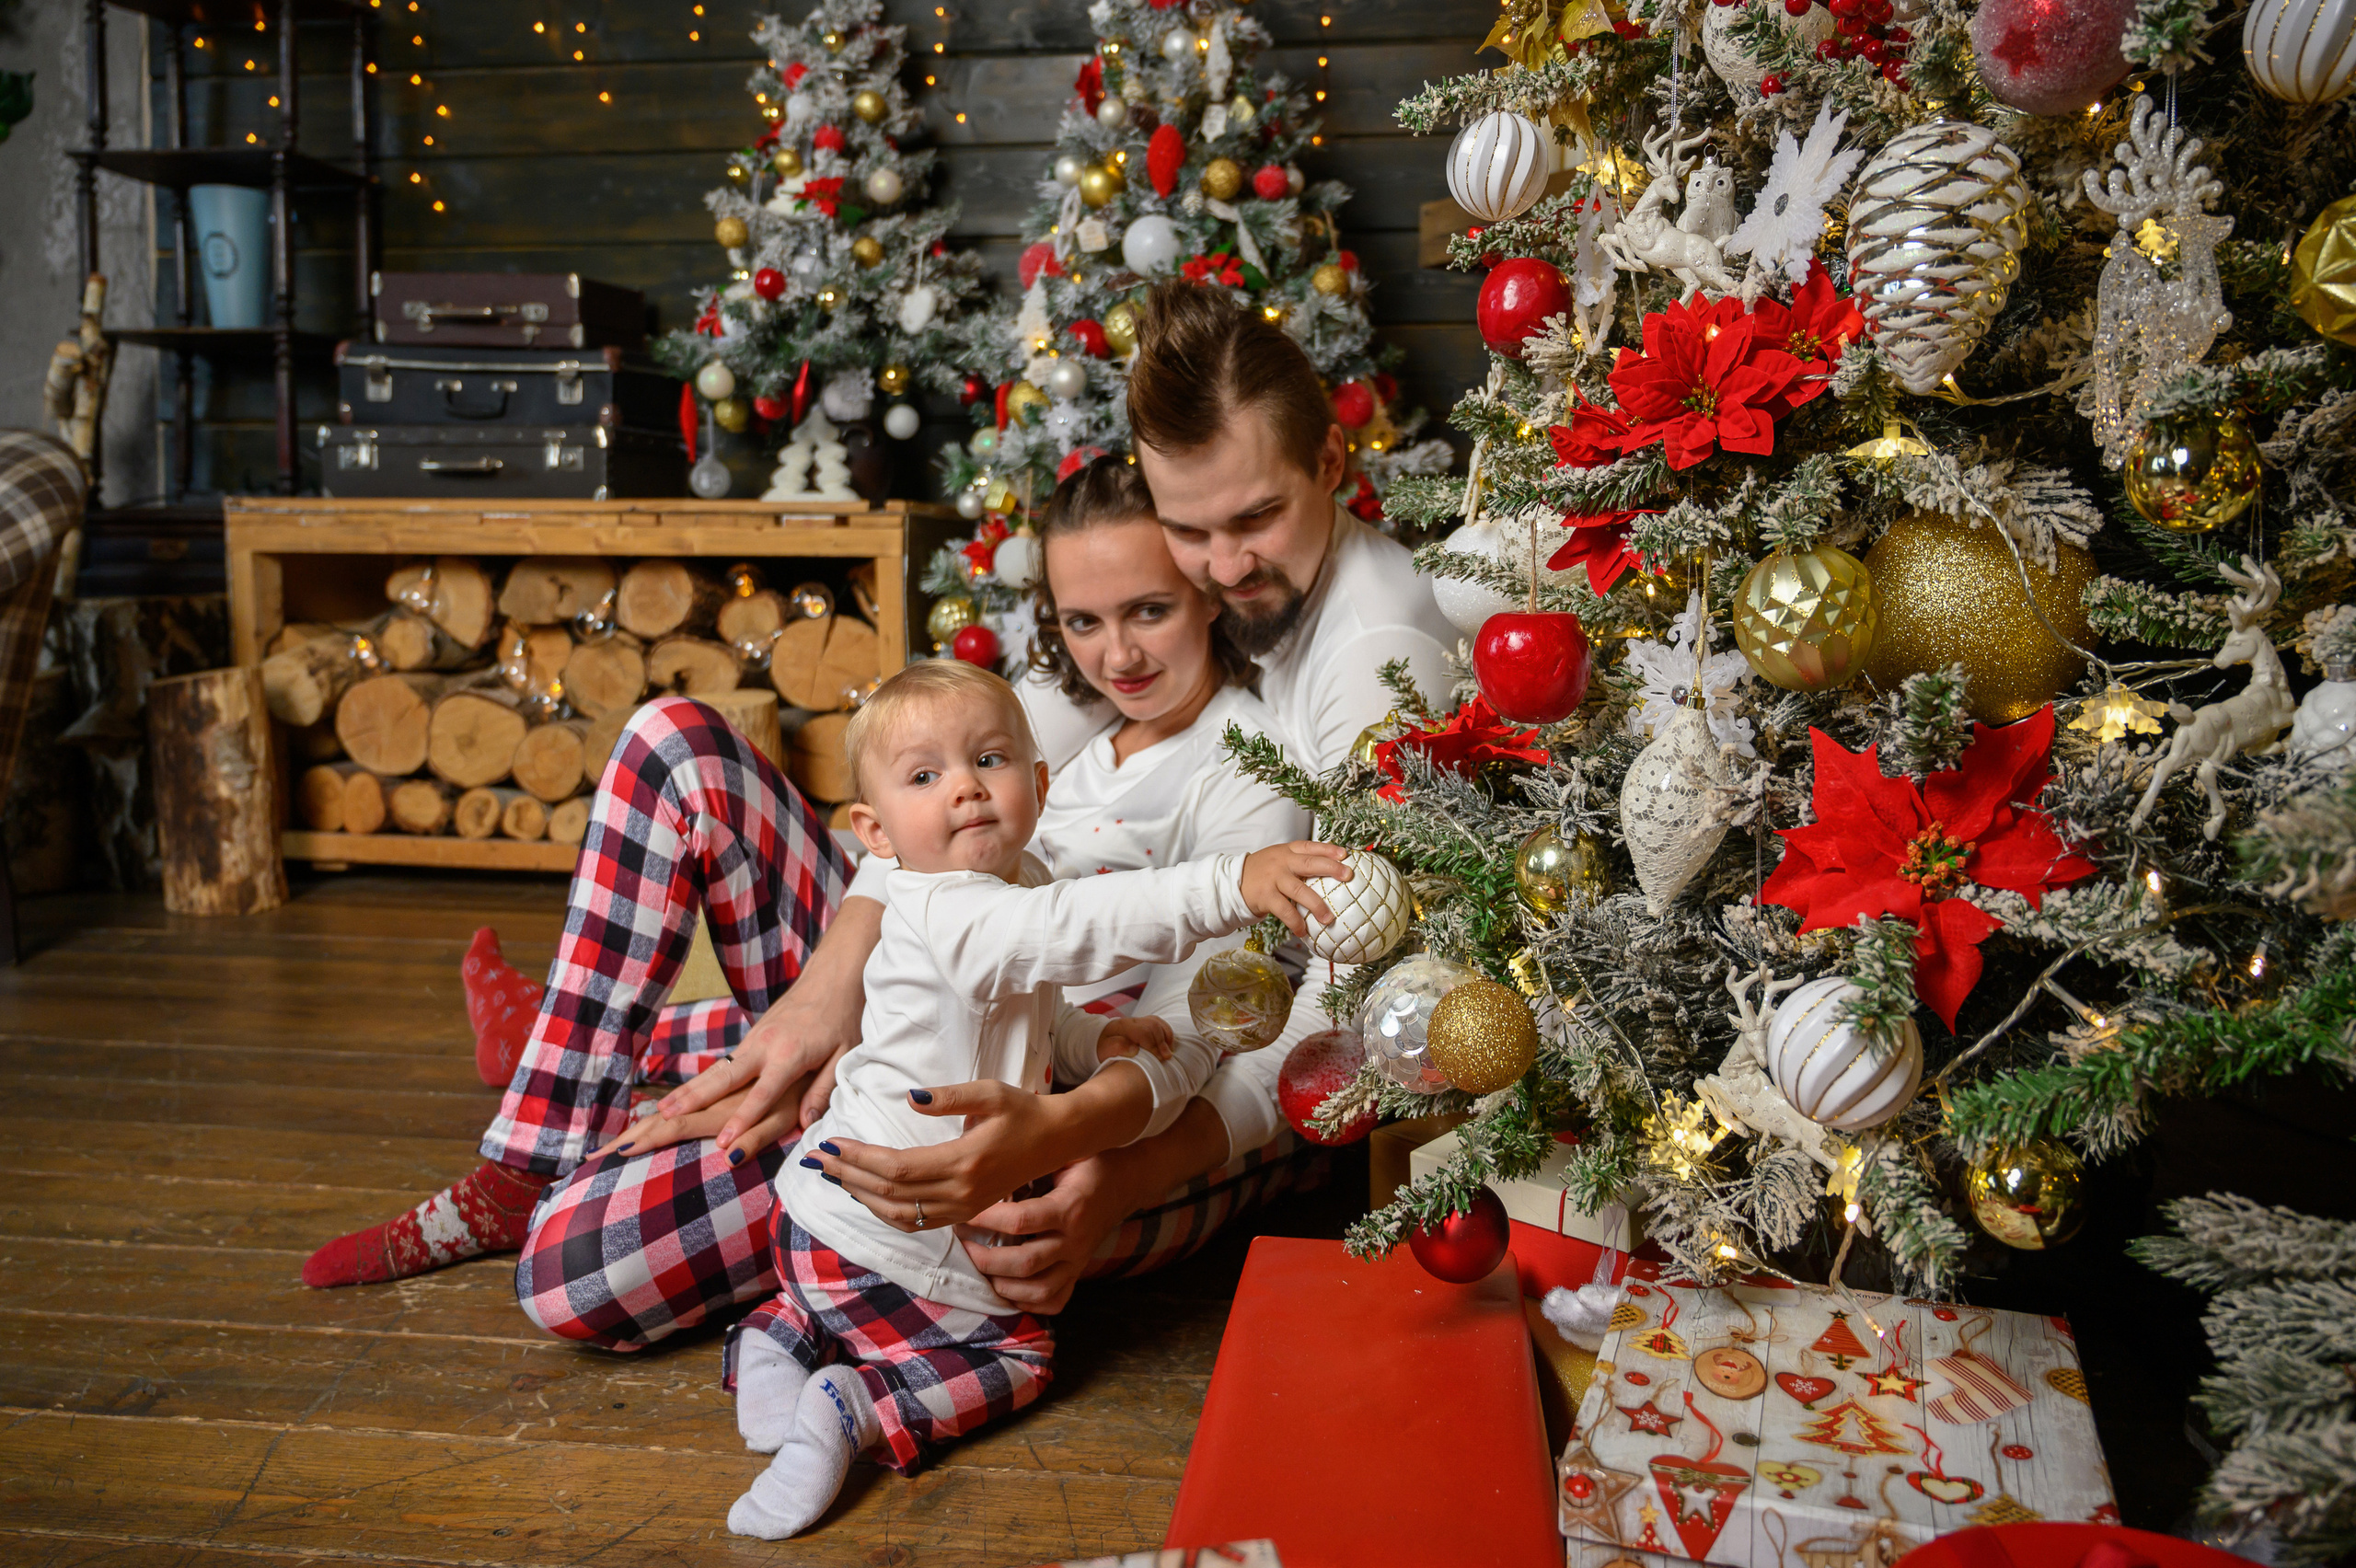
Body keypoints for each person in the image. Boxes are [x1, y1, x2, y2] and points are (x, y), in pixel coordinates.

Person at [298, 456, 1321, 1349]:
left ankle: (579, 1045)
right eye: (1083, 622)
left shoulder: (1245, 766)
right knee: (672, 744)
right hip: (896, 1019)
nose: (1117, 656)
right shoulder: (1053, 714)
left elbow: (1208, 1020)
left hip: (995, 1119)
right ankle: (535, 1144)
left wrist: (1066, 1135)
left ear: (1206, 591)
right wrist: (829, 993)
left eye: (1149, 612)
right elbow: (900, 835)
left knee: (572, 1276)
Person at [752, 280, 1459, 1285]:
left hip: (1158, 1080)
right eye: (1187, 531)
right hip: (980, 1022)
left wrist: (1112, 1165)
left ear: (1332, 464)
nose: (1223, 568)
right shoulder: (1159, 621)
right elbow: (955, 770)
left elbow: (1347, 996)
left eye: (1256, 517)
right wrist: (830, 992)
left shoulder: (1374, 660)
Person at [722, 657, 1346, 1539]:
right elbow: (1079, 928)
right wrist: (1229, 882)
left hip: (819, 1215)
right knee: (1018, 1354)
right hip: (883, 1229)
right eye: (925, 777)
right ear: (876, 832)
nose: (966, 788)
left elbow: (1031, 1013)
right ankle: (858, 1407)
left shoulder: (1017, 881)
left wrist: (1094, 1042)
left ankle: (779, 1333)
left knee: (834, 1298)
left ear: (1041, 785)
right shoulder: (950, 909)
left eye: (990, 761)